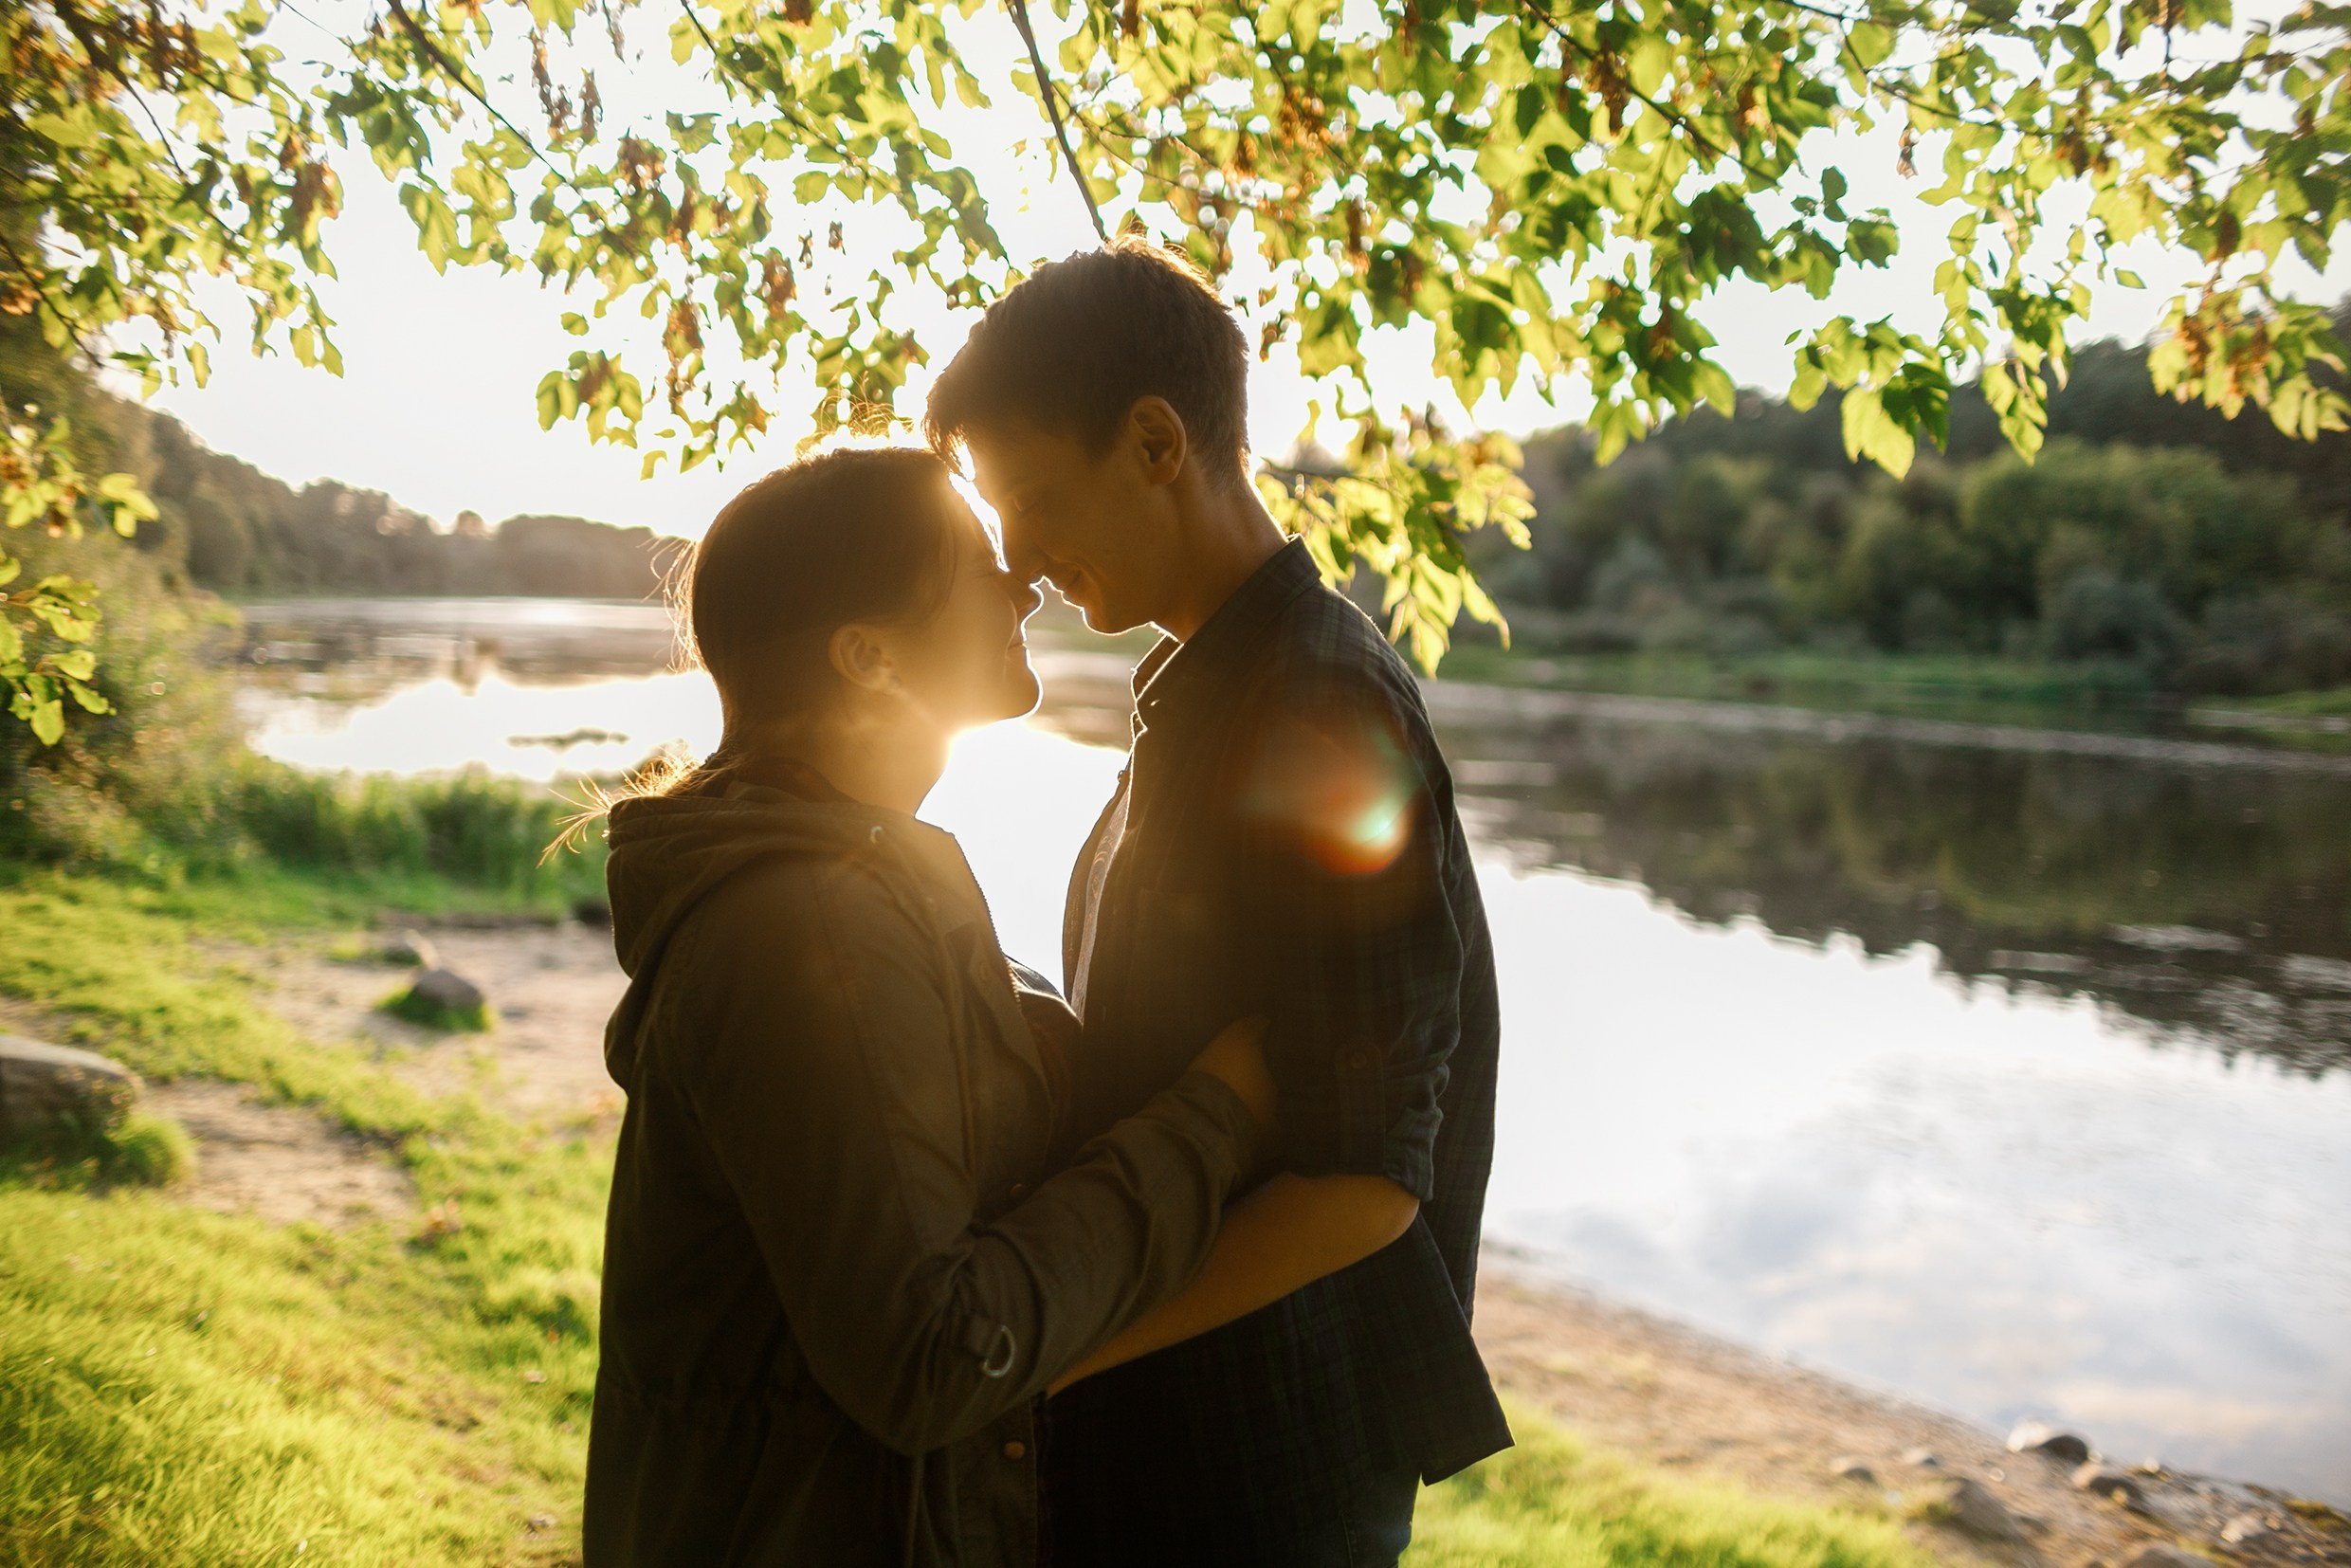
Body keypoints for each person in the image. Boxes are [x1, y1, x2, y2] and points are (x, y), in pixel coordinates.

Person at [582, 447, 1278, 1568]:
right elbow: (932, 1352)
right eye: (970, 561)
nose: (1022, 580)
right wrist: (1216, 1116)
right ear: (866, 657)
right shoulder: (807, 927)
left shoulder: (853, 878)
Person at [924, 238, 1512, 1566]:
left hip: (1259, 1467)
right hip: (1179, 1432)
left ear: (1151, 442)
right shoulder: (1209, 687)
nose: (1013, 555)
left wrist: (1054, 1348)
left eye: (1022, 492)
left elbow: (1365, 1179)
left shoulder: (1318, 704)